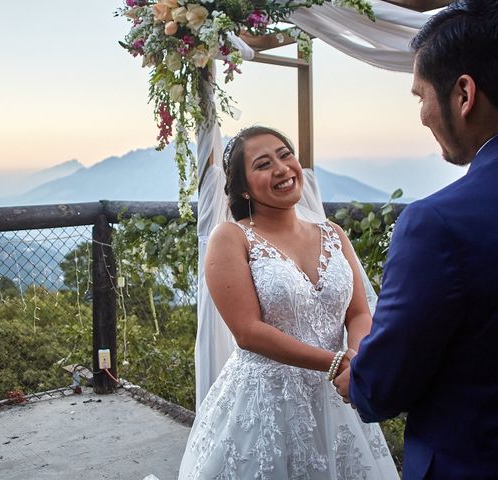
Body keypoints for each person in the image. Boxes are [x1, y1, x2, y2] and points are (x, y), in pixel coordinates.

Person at [333, 0, 498, 477]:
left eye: (420, 95)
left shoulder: (438, 224)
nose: (423, 115)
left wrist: (357, 377)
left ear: (463, 94)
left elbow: (384, 386)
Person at [178, 126, 398, 479]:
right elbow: (248, 332)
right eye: (263, 164)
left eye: (285, 154)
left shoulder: (332, 233)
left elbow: (358, 311)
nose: (282, 168)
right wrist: (336, 362)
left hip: (336, 393)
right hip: (267, 401)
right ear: (244, 187)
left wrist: (356, 359)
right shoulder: (232, 238)